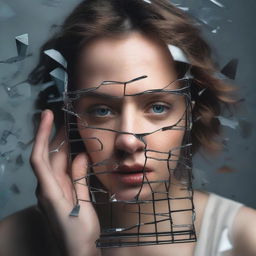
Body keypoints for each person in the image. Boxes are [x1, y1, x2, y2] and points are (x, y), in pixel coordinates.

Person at [0, 0, 256, 255]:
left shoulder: (246, 238)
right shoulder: (10, 242)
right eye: (102, 110)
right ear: (69, 120)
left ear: (191, 113)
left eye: (157, 107)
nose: (129, 141)